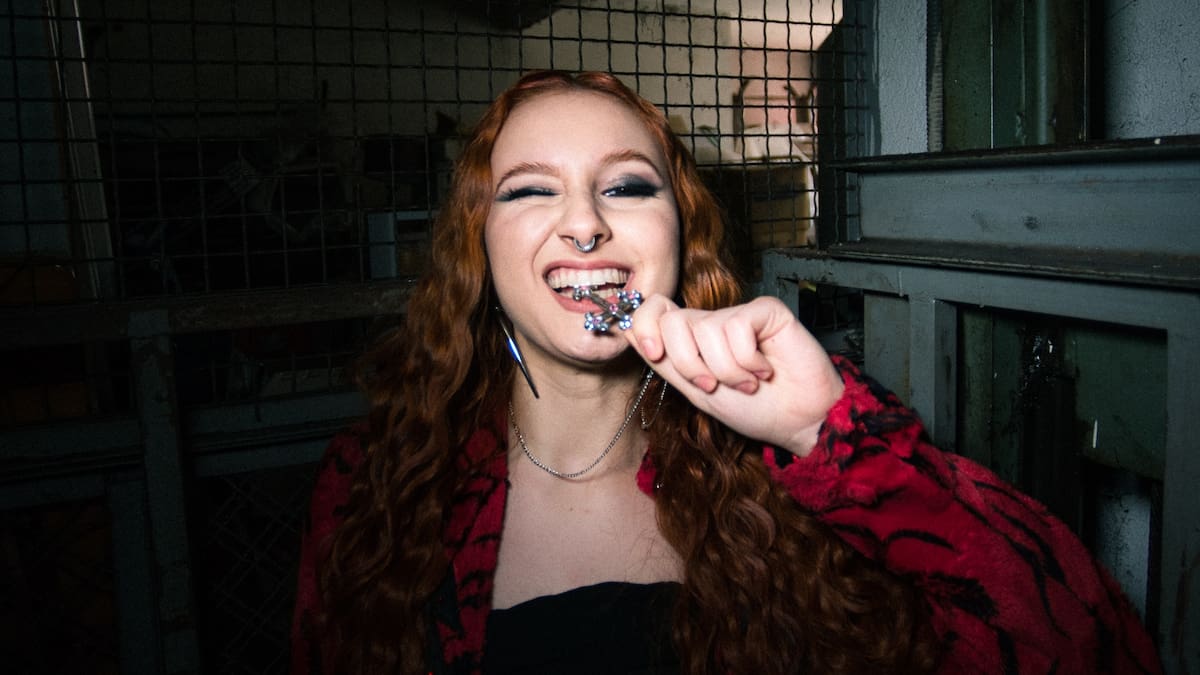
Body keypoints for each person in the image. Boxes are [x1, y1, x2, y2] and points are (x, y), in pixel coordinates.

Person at [291, 70, 1160, 675]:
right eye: (528, 190)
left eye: (627, 187)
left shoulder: (778, 478)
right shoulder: (376, 484)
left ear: (681, 233)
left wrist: (828, 434)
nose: (585, 225)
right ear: (477, 247)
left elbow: (1085, 644)